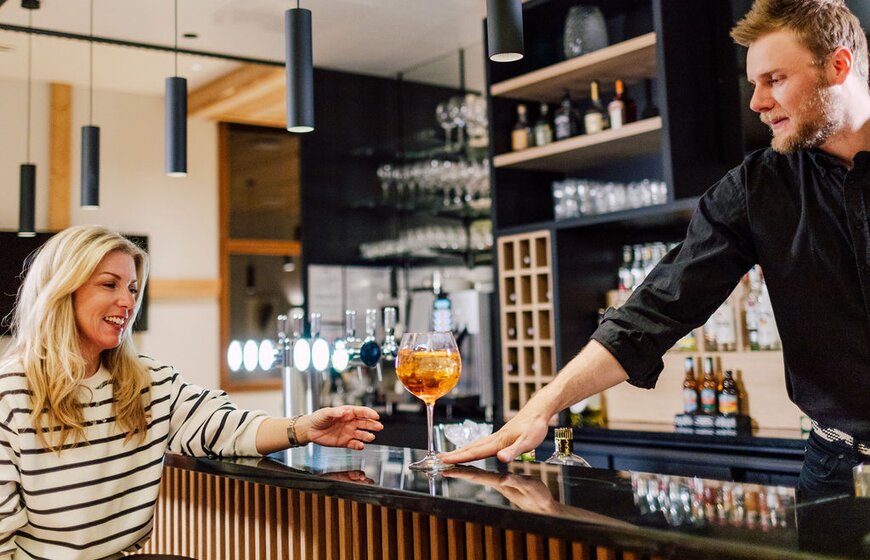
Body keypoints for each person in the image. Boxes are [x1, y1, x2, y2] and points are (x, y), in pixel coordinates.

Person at [442, 0, 870, 502]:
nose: (756, 101)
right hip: (834, 469)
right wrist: (543, 405)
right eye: (753, 82)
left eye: (774, 79)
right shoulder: (758, 189)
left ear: (838, 66)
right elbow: (656, 308)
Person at [0, 224, 383, 558]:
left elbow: (223, 425)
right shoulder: (12, 393)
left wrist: (303, 429)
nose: (128, 302)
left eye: (133, 288)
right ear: (62, 290)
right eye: (109, 284)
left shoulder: (147, 382)